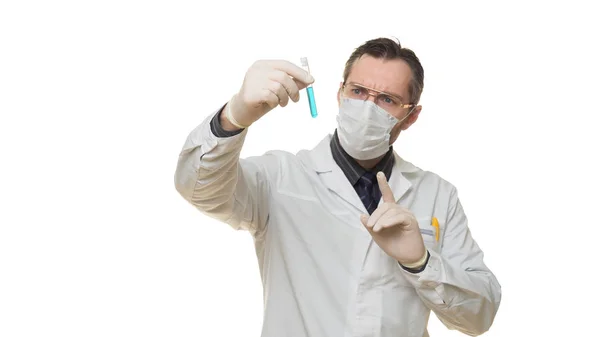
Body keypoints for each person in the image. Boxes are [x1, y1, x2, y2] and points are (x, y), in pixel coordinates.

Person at [174, 37, 502, 337]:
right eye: (358, 92)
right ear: (340, 94)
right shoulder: (280, 177)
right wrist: (233, 117)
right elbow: (199, 188)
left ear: (411, 117)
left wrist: (420, 262)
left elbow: (479, 316)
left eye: (386, 99)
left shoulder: (437, 194)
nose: (367, 108)